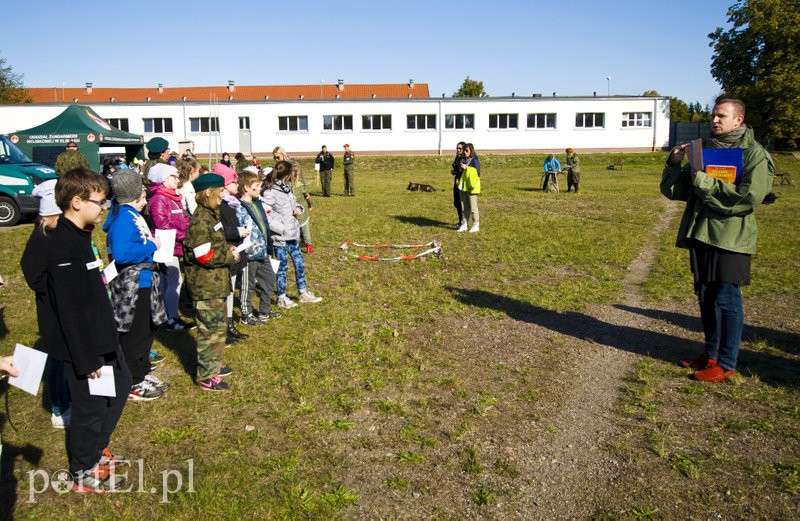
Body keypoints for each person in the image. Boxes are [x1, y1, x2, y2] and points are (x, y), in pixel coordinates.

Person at [29, 168, 132, 491]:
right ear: (76, 202)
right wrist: (86, 361)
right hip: (85, 347)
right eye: (99, 202)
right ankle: (82, 469)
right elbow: (71, 311)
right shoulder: (64, 248)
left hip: (102, 336)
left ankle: (94, 448)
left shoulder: (80, 237)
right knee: (90, 406)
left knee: (120, 386)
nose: (103, 208)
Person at [660, 98, 774, 383]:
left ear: (739, 120)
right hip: (701, 233)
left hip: (731, 237)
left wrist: (704, 183)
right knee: (706, 294)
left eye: (722, 116)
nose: (714, 120)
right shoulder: (703, 151)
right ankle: (710, 354)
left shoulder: (753, 154)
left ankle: (726, 362)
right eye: (713, 115)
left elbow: (748, 198)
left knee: (727, 298)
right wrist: (674, 163)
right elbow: (675, 191)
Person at [104, 169, 169, 400]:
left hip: (143, 281)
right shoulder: (123, 218)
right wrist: (152, 246)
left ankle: (141, 371)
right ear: (134, 194)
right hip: (133, 285)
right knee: (135, 334)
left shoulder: (131, 213)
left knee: (146, 330)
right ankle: (132, 381)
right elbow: (122, 254)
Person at [20, 179, 72, 428]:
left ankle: (68, 396)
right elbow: (33, 274)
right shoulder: (41, 239)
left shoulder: (58, 233)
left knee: (67, 354)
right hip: (52, 308)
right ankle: (58, 407)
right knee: (57, 358)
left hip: (66, 306)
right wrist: (58, 287)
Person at [182, 173, 238, 391]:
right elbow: (204, 255)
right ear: (208, 192)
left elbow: (214, 246)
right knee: (209, 330)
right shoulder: (201, 220)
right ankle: (207, 376)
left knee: (218, 327)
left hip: (215, 283)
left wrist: (228, 249)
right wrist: (229, 256)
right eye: (220, 191)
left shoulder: (211, 215)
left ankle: (213, 363)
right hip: (206, 286)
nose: (223, 196)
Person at [262, 161, 323, 309]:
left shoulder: (286, 188)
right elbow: (265, 214)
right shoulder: (270, 192)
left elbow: (294, 203)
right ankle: (281, 297)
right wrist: (280, 228)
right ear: (288, 174)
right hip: (280, 238)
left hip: (292, 234)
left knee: (299, 263)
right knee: (282, 267)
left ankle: (303, 293)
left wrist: (299, 208)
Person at [147, 163, 192, 332]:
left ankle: (166, 315)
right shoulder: (159, 199)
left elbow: (184, 219)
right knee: (174, 280)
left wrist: (190, 230)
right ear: (164, 179)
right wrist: (184, 235)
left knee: (168, 281)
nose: (177, 179)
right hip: (166, 246)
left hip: (175, 245)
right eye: (174, 176)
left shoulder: (174, 197)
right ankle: (171, 318)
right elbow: (162, 225)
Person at [236, 170, 280, 325]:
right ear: (247, 188)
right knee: (248, 285)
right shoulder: (239, 207)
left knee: (269, 279)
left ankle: (264, 311)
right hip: (249, 254)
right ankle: (246, 314)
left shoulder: (257, 203)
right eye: (257, 186)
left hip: (263, 251)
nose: (260, 189)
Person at [212, 163, 250, 344]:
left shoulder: (231, 203)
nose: (237, 184)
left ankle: (229, 324)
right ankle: (224, 327)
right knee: (225, 290)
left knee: (231, 288)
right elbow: (219, 230)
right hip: (227, 250)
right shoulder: (220, 206)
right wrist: (237, 232)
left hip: (236, 250)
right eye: (233, 181)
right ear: (225, 185)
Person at [273, 146, 314, 253]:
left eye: (277, 157)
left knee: (301, 222)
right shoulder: (277, 167)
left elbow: (298, 180)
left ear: (283, 154)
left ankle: (304, 242)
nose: (276, 160)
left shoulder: (293, 165)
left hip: (294, 194)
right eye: (274, 158)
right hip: (283, 197)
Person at [457, 143, 481, 233]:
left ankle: (476, 224)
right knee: (464, 206)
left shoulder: (474, 160)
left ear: (471, 151)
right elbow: (460, 172)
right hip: (463, 186)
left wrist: (467, 168)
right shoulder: (462, 159)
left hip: (471, 187)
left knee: (473, 206)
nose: (465, 152)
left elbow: (477, 173)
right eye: (464, 150)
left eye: (467, 150)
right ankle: (464, 224)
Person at [450, 142, 466, 227]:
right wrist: (454, 172)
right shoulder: (458, 157)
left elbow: (465, 170)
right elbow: (456, 168)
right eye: (457, 148)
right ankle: (460, 221)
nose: (458, 150)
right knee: (456, 202)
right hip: (456, 180)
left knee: (461, 202)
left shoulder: (465, 159)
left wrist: (458, 171)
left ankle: (464, 222)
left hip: (462, 181)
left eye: (460, 148)